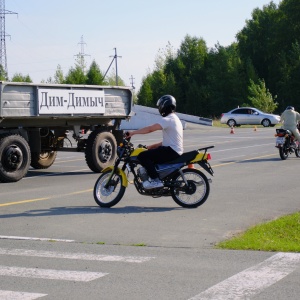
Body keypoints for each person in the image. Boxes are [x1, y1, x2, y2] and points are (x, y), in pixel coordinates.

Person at [126, 95, 183, 190]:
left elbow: (150, 129)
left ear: (164, 106)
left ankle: (155, 180)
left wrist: (133, 133)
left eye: (160, 106)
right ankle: (155, 177)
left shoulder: (168, 119)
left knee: (142, 156)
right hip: (173, 150)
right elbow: (167, 141)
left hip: (171, 151)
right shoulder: (174, 118)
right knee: (149, 154)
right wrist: (151, 147)